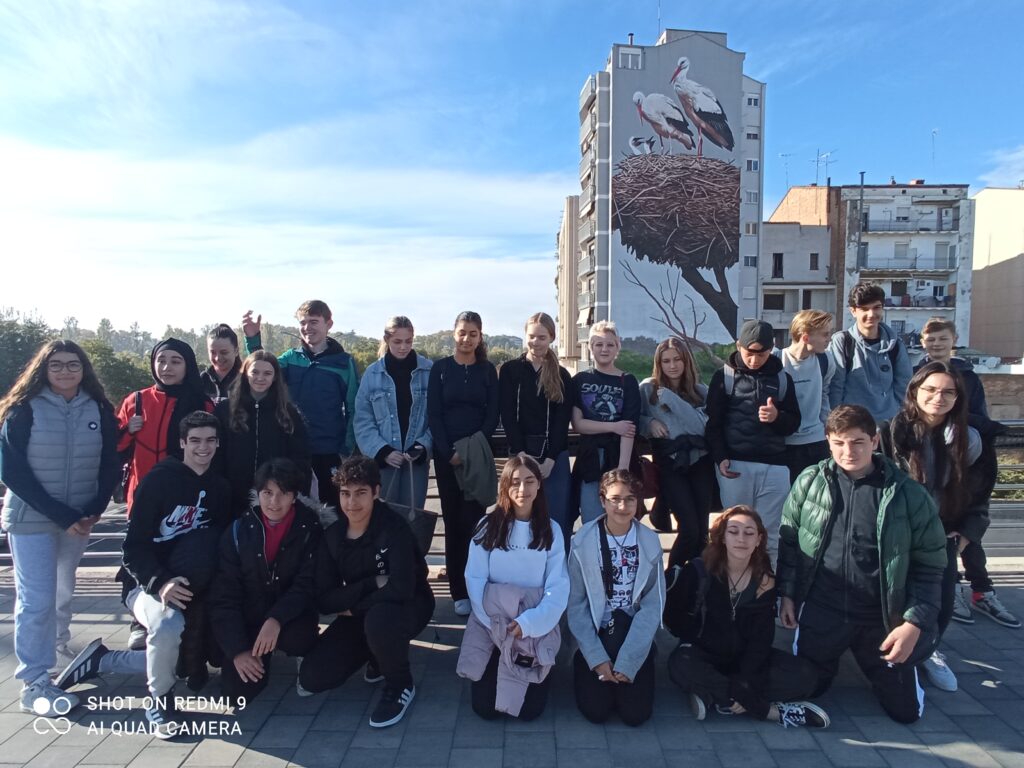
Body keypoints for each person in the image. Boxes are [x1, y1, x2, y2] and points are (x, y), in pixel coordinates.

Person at [62, 411, 233, 738]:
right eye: (195, 440)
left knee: (191, 651)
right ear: (182, 442)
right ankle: (160, 700)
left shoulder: (220, 488)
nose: (203, 447)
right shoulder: (158, 481)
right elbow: (133, 548)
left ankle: (103, 661)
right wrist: (160, 582)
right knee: (168, 627)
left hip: (192, 583)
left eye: (210, 440)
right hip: (146, 583)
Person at [777, 405, 947, 724]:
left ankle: (903, 667)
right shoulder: (809, 482)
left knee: (905, 713)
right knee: (805, 689)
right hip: (824, 610)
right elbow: (789, 545)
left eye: (857, 442)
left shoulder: (908, 494)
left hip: (878, 616)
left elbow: (930, 565)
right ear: (828, 442)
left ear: (875, 441)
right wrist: (787, 595)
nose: (848, 451)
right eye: (839, 442)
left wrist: (914, 623)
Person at [0, 341, 119, 716]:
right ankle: (34, 682)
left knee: (62, 591)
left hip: (77, 521)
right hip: (31, 520)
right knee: (36, 599)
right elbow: (11, 471)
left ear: (84, 369)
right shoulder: (23, 409)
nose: (65, 371)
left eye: (73, 364)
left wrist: (94, 510)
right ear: (43, 369)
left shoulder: (99, 409)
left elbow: (110, 463)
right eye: (56, 365)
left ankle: (57, 651)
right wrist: (62, 515)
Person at [297, 456, 435, 728]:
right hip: (363, 607)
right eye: (345, 493)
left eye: (360, 493)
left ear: (376, 492)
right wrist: (370, 584)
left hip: (408, 606)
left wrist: (354, 606)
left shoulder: (394, 528)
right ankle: (377, 654)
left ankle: (400, 684)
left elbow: (402, 587)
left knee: (379, 620)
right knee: (313, 677)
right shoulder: (334, 535)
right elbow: (324, 599)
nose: (352, 502)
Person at [666, 506, 829, 728]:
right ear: (722, 537)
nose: (741, 539)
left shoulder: (765, 579)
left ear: (758, 539)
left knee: (806, 676)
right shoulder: (698, 571)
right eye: (733, 531)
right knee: (680, 664)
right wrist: (699, 635)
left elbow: (762, 640)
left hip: (744, 658)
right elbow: (673, 619)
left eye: (749, 533)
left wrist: (747, 680)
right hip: (703, 654)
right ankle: (770, 711)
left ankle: (716, 696)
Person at [879, 362, 986, 692]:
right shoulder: (891, 433)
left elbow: (980, 491)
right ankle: (889, 646)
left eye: (947, 392)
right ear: (914, 391)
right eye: (930, 389)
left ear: (958, 398)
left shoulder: (969, 439)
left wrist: (968, 532)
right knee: (892, 595)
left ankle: (928, 649)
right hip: (897, 531)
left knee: (938, 598)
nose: (938, 398)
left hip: (941, 532)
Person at [917, 317, 1017, 629]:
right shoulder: (916, 374)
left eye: (942, 339)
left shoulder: (968, 377)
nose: (936, 344)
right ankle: (955, 589)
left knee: (967, 532)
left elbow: (977, 417)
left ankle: (981, 591)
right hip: (930, 464)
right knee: (942, 533)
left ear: (954, 340)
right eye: (931, 339)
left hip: (963, 459)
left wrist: (963, 426)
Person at [458, 456, 568, 721]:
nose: (522, 489)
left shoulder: (551, 530)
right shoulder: (487, 526)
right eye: (515, 482)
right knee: (484, 709)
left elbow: (557, 586)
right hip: (493, 621)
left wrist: (528, 624)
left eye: (529, 481)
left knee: (530, 711)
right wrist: (494, 624)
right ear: (504, 486)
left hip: (532, 623)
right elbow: (475, 578)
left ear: (539, 484)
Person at [209, 458, 322, 705]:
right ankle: (254, 652)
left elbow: (306, 584)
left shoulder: (310, 528)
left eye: (283, 494)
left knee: (299, 637)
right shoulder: (238, 531)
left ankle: (294, 651)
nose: (274, 502)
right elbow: (225, 595)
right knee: (236, 694)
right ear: (257, 493)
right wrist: (238, 650)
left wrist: (276, 619)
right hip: (249, 617)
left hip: (288, 617)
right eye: (267, 493)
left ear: (294, 496)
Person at [566, 470, 663, 726]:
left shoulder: (650, 542)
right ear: (602, 500)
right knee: (596, 712)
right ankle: (591, 667)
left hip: (632, 633)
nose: (622, 506)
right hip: (597, 633)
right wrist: (596, 658)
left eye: (630, 499)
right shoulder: (582, 542)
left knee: (635, 715)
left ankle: (632, 669)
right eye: (615, 499)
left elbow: (653, 605)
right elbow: (576, 604)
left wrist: (630, 661)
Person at [242, 301, 360, 504]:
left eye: (314, 322)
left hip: (329, 451)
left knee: (330, 510)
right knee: (293, 508)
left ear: (328, 324)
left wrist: (347, 450)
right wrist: (253, 339)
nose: (307, 328)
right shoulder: (290, 358)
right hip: (292, 449)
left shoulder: (344, 362)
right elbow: (262, 369)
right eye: (303, 322)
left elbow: (353, 407)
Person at [705, 320, 800, 564]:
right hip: (736, 465)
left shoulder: (783, 379)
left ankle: (769, 585)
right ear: (739, 346)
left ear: (772, 349)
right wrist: (720, 457)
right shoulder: (724, 377)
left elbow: (794, 423)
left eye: (762, 354)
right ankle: (732, 584)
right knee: (734, 534)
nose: (755, 359)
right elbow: (713, 424)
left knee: (770, 536)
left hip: (775, 466)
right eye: (750, 353)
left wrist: (777, 417)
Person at [427, 311, 499, 616]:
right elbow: (434, 414)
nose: (466, 338)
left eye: (473, 333)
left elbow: (492, 414)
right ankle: (458, 590)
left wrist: (470, 450)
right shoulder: (441, 369)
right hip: (447, 458)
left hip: (477, 456)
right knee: (453, 521)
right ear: (453, 334)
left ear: (480, 337)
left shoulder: (487, 371)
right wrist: (448, 453)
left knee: (475, 523)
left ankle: (475, 586)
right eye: (462, 332)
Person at [498, 313, 574, 547]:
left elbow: (562, 421)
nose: (536, 342)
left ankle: (557, 566)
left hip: (554, 457)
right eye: (531, 336)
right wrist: (521, 454)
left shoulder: (562, 375)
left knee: (557, 519)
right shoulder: (510, 370)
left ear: (551, 338)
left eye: (542, 337)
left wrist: (550, 459)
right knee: (519, 517)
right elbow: (507, 415)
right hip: (520, 455)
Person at [116, 338, 212, 516]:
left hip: (185, 498)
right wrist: (128, 431)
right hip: (141, 496)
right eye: (161, 361)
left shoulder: (201, 403)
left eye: (175, 362)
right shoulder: (136, 401)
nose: (167, 367)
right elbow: (114, 447)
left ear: (187, 365)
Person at [639, 338, 713, 567]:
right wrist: (649, 422)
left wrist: (671, 399)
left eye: (677, 359)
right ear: (659, 363)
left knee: (701, 533)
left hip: (700, 461)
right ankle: (672, 578)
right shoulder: (647, 389)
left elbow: (700, 427)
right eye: (666, 361)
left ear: (686, 361)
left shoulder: (701, 391)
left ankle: (697, 582)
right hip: (669, 464)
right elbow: (634, 418)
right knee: (689, 529)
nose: (672, 366)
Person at [215, 351, 311, 515]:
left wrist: (291, 487)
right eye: (255, 372)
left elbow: (301, 456)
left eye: (267, 373)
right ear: (245, 374)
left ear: (275, 377)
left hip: (274, 498)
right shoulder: (225, 410)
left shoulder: (288, 413)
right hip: (232, 495)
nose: (260, 378)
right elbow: (216, 451)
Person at [354, 316, 433, 513]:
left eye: (408, 341)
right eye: (397, 342)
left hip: (416, 462)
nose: (403, 347)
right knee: (383, 519)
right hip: (383, 462)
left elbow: (438, 416)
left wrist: (424, 446)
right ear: (387, 340)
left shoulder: (429, 371)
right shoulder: (371, 374)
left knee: (413, 520)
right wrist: (382, 451)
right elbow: (363, 420)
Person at [571, 322, 641, 523]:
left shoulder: (627, 381)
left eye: (610, 344)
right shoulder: (580, 380)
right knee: (592, 517)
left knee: (619, 515)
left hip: (618, 454)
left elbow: (629, 428)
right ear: (590, 347)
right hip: (590, 458)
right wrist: (613, 426)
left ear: (618, 347)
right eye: (598, 344)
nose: (604, 349)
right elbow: (578, 424)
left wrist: (622, 469)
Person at [828, 282, 913, 421]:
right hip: (853, 423)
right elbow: (836, 386)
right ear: (853, 311)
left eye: (876, 307)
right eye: (864, 309)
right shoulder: (842, 342)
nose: (871, 314)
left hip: (889, 423)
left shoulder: (896, 345)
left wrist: (899, 418)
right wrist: (836, 421)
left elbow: (904, 386)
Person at [774, 310, 835, 484]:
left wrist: (827, 429)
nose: (829, 339)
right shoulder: (777, 360)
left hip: (817, 442)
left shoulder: (826, 360)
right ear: (806, 337)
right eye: (825, 334)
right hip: (785, 444)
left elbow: (824, 394)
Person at [200, 324, 242, 403]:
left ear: (236, 351)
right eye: (213, 352)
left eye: (224, 352)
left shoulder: (245, 379)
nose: (217, 358)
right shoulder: (203, 379)